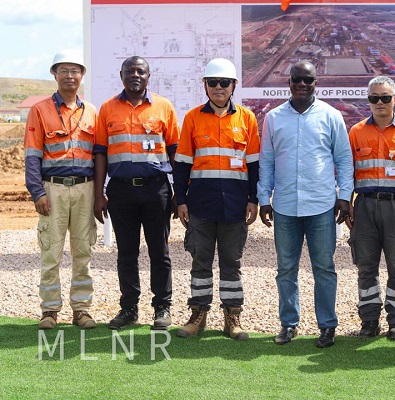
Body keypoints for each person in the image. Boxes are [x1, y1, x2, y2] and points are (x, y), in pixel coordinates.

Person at [258, 60, 354, 348]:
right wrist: (265, 198)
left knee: (324, 268)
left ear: (316, 83)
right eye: (297, 79)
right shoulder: (274, 118)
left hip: (322, 206)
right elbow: (267, 161)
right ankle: (288, 324)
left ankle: (327, 326)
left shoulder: (331, 116)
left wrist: (344, 196)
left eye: (308, 80)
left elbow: (344, 159)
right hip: (285, 206)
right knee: (286, 268)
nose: (302, 84)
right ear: (288, 82)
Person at [172, 58, 260, 340]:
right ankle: (198, 314)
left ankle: (232, 317)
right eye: (213, 83)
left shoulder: (247, 119)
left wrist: (254, 198)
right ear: (205, 86)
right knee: (200, 262)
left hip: (235, 206)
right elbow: (182, 164)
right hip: (201, 205)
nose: (218, 88)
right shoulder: (193, 118)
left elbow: (255, 164)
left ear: (233, 86)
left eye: (224, 83)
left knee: (231, 264)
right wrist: (180, 200)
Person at [94, 56, 180, 330]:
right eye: (129, 71)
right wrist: (99, 194)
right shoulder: (108, 109)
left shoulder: (164, 107)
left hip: (156, 190)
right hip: (120, 193)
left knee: (160, 251)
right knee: (126, 253)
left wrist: (179, 192)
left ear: (148, 76)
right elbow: (100, 154)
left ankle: (162, 308)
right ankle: (129, 308)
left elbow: (176, 151)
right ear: (121, 75)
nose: (135, 75)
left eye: (140, 71)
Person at [346, 76, 395, 340]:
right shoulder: (356, 132)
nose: (379, 103)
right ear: (368, 101)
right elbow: (347, 173)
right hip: (365, 207)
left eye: (385, 97)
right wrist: (348, 205)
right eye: (374, 98)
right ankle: (369, 321)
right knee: (365, 266)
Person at [24, 51, 98, 330]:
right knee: (51, 252)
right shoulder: (40, 110)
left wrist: (98, 194)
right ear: (54, 74)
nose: (70, 76)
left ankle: (81, 309)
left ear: (82, 75)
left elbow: (98, 155)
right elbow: (32, 155)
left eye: (75, 70)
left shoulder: (91, 111)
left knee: (83, 252)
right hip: (52, 190)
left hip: (85, 189)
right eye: (64, 70)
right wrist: (37, 192)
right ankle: (50, 311)